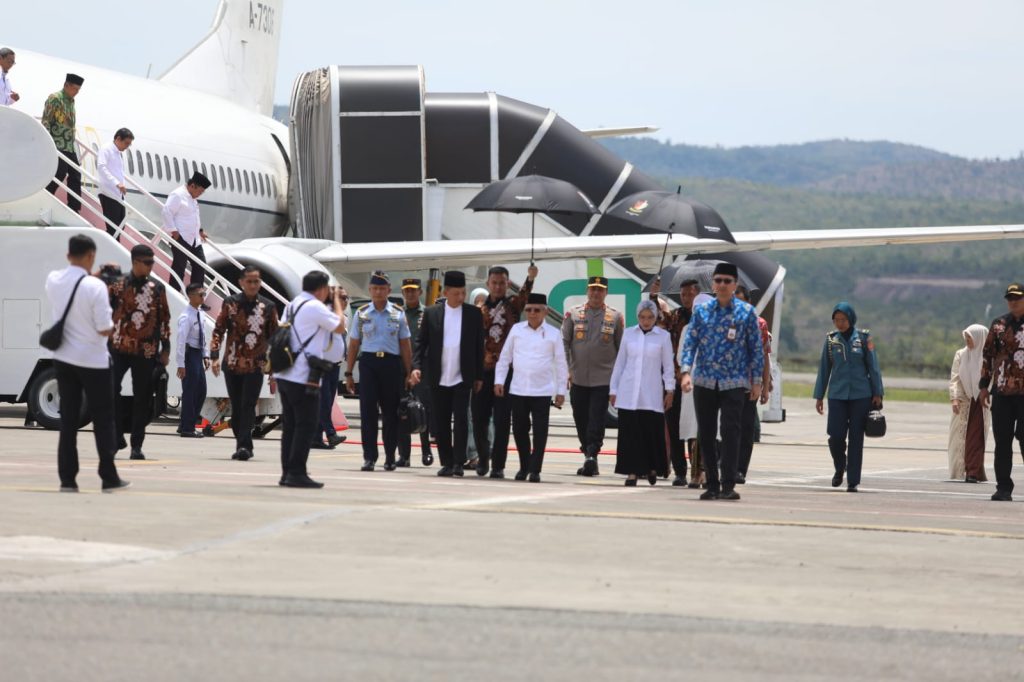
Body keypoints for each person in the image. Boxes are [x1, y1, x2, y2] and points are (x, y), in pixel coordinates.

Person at [45, 234, 129, 492]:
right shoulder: (96, 287)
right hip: (93, 361)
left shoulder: (54, 280)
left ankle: (67, 480)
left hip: (63, 359)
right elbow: (105, 329)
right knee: (103, 420)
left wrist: (94, 274)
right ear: (91, 255)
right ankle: (108, 476)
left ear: (68, 255)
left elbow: (75, 284)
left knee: (68, 421)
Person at [680, 263, 764, 501]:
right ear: (713, 284)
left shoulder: (746, 313)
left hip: (733, 382)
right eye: (718, 281)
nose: (723, 285)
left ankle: (728, 483)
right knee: (705, 433)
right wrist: (686, 372)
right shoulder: (702, 311)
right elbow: (690, 344)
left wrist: (756, 381)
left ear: (735, 284)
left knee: (730, 432)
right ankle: (712, 484)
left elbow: (755, 349)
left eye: (727, 281)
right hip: (705, 380)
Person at [273, 271, 347, 488]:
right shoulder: (315, 307)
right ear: (321, 289)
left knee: (291, 426)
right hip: (303, 377)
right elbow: (340, 326)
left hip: (286, 373)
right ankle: (297, 472)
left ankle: (288, 472)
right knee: (306, 425)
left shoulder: (293, 304)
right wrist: (336, 302)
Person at [411, 270, 484, 477]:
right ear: (446, 292)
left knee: (461, 421)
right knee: (440, 422)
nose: (460, 297)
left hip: (463, 376)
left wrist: (479, 376)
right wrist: (416, 366)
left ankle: (459, 462)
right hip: (437, 375)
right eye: (456, 293)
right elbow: (420, 343)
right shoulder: (432, 313)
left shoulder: (473, 314)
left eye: (463, 293)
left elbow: (479, 347)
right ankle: (447, 462)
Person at [495, 293, 568, 482]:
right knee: (519, 429)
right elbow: (505, 358)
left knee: (540, 431)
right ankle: (524, 465)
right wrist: (499, 381)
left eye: (536, 310)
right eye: (528, 310)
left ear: (544, 311)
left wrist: (561, 391)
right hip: (518, 389)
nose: (532, 313)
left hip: (542, 390)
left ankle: (535, 469)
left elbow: (561, 363)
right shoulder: (517, 330)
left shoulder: (553, 333)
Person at [811, 302, 883, 493]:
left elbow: (873, 367)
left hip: (861, 395)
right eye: (836, 320)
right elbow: (824, 369)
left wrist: (878, 393)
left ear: (851, 319)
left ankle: (853, 481)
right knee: (835, 436)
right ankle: (839, 466)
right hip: (837, 395)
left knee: (856, 438)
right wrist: (819, 396)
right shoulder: (831, 340)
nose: (839, 323)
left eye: (843, 320)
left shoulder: (864, 338)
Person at [346, 271, 413, 472]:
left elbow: (405, 345)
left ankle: (390, 456)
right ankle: (369, 457)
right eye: (374, 288)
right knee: (368, 412)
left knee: (391, 413)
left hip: (391, 365)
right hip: (368, 364)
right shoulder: (362, 313)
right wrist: (348, 373)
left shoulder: (398, 313)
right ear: (370, 290)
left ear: (388, 291)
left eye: (382, 289)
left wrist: (409, 372)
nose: (378, 292)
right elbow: (354, 344)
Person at [210, 265, 279, 461]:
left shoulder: (269, 307)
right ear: (241, 282)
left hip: (255, 365)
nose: (253, 285)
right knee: (238, 406)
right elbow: (218, 330)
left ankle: (244, 446)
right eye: (249, 281)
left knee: (249, 404)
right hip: (232, 364)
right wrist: (214, 355)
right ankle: (241, 441)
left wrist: (274, 367)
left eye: (256, 281)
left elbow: (275, 338)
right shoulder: (230, 303)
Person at [109, 244, 171, 461]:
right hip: (118, 347)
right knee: (109, 391)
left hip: (146, 350)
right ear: (135, 262)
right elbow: (104, 312)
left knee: (142, 398)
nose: (151, 267)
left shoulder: (157, 288)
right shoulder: (117, 285)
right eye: (148, 263)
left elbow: (164, 319)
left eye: (153, 262)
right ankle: (116, 436)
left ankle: (137, 445)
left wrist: (166, 347)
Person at [473, 264, 536, 477]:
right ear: (487, 284)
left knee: (502, 421)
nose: (498, 286)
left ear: (507, 284)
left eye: (502, 283)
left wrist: (530, 278)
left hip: (507, 371)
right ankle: (483, 459)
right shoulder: (479, 309)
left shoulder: (513, 305)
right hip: (482, 372)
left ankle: (498, 465)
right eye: (494, 283)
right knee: (479, 419)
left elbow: (525, 295)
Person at [561, 276, 624, 476]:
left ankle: (592, 456)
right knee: (580, 417)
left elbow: (621, 348)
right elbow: (564, 342)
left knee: (596, 419)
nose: (596, 293)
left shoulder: (615, 317)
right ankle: (587, 450)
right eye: (593, 289)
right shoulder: (573, 313)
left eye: (600, 290)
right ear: (588, 291)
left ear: (606, 292)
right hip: (578, 377)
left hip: (603, 378)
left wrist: (618, 379)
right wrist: (566, 369)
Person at [611, 299, 675, 486]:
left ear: (655, 317)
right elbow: (620, 363)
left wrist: (669, 389)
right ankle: (631, 472)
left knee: (651, 432)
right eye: (642, 317)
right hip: (629, 390)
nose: (646, 321)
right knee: (630, 434)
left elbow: (668, 367)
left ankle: (652, 468)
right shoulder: (629, 334)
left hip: (651, 392)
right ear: (637, 316)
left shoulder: (663, 337)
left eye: (650, 317)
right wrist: (613, 389)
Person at [650, 276, 700, 485]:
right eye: (684, 294)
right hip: (674, 378)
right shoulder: (676, 316)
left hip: (697, 380)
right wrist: (654, 296)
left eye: (691, 294)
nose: (687, 298)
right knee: (674, 425)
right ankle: (680, 470)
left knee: (694, 427)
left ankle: (697, 471)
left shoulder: (705, 316)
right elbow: (658, 318)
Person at [978, 283, 1024, 502]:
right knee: (1002, 441)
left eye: (1017, 297)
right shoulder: (998, 325)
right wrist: (983, 386)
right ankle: (1003, 487)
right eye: (1010, 298)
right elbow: (988, 355)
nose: (1013, 301)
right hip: (1002, 391)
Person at [735, 285, 773, 483]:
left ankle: (741, 469)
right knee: (728, 427)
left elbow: (765, 356)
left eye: (741, 300)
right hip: (728, 383)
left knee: (746, 427)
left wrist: (765, 385)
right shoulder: (723, 322)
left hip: (751, 384)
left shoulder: (760, 324)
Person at [397, 278, 434, 466]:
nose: (410, 294)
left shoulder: (427, 314)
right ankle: (404, 455)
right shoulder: (397, 314)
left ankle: (426, 450)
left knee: (421, 410)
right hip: (401, 366)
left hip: (421, 367)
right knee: (402, 410)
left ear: (420, 292)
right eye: (407, 291)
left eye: (413, 290)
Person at [948, 324, 990, 483]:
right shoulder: (960, 355)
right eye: (966, 339)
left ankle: (972, 471)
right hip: (965, 401)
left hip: (982, 402)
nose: (967, 342)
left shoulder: (988, 357)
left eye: (970, 339)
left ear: (980, 339)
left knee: (976, 437)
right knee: (961, 437)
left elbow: (991, 379)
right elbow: (955, 378)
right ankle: (965, 469)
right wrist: (955, 398)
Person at [311, 285, 348, 451]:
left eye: (346, 298)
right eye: (341, 298)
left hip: (336, 366)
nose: (345, 301)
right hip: (323, 365)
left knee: (327, 401)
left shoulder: (343, 318)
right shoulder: (324, 315)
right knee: (324, 401)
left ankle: (316, 438)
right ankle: (331, 434)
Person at [43, 73, 85, 213]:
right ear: (66, 85)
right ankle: (45, 197)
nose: (76, 93)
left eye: (78, 91)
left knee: (76, 174)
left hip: (68, 145)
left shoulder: (72, 101)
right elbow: (46, 121)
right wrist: (47, 144)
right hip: (56, 143)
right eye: (74, 89)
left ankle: (74, 207)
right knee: (60, 173)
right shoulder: (55, 98)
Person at [164, 171, 211, 292]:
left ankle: (197, 297)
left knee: (200, 266)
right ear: (193, 185)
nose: (200, 194)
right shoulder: (178, 195)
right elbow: (167, 212)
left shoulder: (192, 197)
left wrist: (200, 231)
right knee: (179, 267)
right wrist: (174, 232)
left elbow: (192, 216)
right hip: (181, 238)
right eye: (200, 191)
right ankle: (173, 293)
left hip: (194, 239)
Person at [176, 283, 210, 438]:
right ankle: (187, 428)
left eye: (204, 294)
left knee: (201, 391)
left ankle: (185, 423)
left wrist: (206, 355)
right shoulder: (186, 317)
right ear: (191, 296)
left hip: (197, 354)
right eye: (200, 294)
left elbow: (203, 337)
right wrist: (181, 364)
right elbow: (181, 342)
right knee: (190, 391)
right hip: (189, 355)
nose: (203, 297)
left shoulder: (200, 313)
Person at [97, 128, 134, 237]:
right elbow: (101, 167)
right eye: (126, 143)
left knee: (120, 227)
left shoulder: (117, 153)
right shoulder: (106, 149)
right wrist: (116, 183)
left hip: (118, 195)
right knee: (113, 228)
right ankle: (107, 245)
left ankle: (108, 244)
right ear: (118, 138)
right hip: (108, 193)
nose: (127, 146)